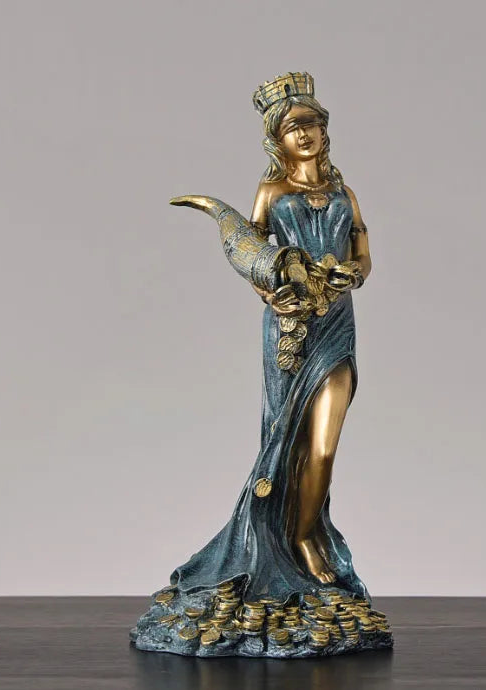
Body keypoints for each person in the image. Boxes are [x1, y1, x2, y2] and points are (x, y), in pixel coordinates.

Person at [131, 73, 391, 658]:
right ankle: (293, 543)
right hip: (290, 332)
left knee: (324, 444)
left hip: (336, 326)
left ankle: (306, 533)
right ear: (277, 138)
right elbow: (252, 254)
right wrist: (275, 291)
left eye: (313, 122)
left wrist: (354, 272)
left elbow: (363, 251)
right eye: (294, 126)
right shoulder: (272, 192)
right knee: (287, 436)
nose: (307, 133)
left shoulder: (346, 194)